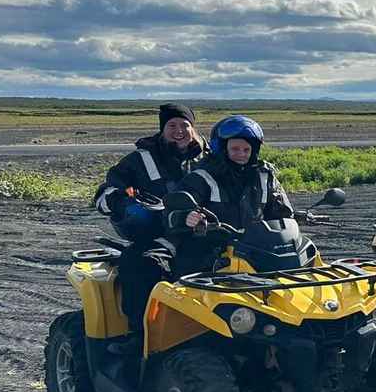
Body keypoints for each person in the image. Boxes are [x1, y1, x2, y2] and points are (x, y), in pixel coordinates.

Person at [92, 103, 203, 331]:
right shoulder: (141, 159)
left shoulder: (210, 156)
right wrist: (123, 204)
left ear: (193, 128)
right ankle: (139, 335)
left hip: (207, 234)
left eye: (185, 125)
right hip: (158, 236)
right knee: (140, 266)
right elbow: (105, 193)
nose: (179, 130)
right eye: (172, 125)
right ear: (162, 129)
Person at [178, 115, 295, 272]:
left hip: (256, 248)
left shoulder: (264, 176)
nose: (242, 154)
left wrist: (291, 220)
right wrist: (188, 216)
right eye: (235, 149)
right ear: (222, 148)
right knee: (190, 269)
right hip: (213, 248)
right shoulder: (202, 176)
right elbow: (177, 207)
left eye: (246, 149)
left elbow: (282, 212)